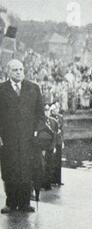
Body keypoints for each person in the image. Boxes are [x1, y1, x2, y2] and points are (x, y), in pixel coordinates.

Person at [0, 59, 45, 214]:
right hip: (8, 139)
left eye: (20, 69)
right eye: (15, 70)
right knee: (10, 169)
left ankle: (25, 203)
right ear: (8, 72)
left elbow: (41, 114)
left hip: (28, 139)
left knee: (27, 169)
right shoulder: (1, 89)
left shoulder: (34, 88)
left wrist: (37, 131)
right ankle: (11, 203)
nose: (19, 72)